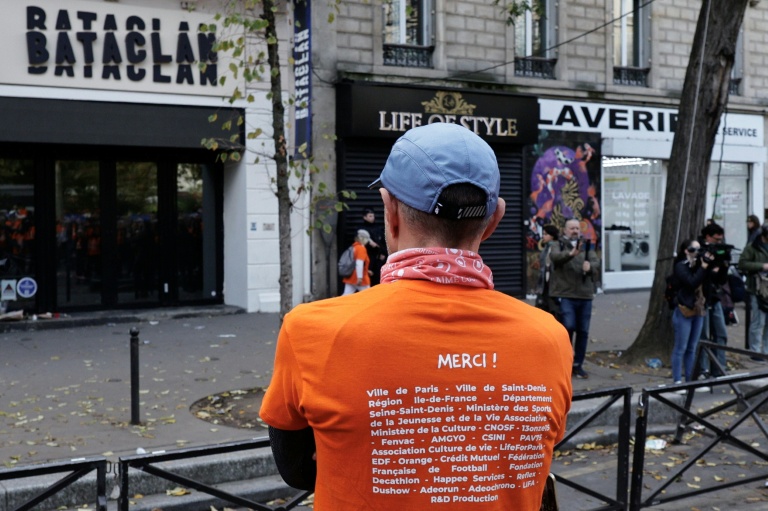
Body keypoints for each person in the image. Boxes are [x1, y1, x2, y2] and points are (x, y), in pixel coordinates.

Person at [260, 123, 573, 510]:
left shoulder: (310, 330)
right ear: (493, 222)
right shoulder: (550, 338)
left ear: (390, 212)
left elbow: (295, 470)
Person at [549, 218, 601, 379]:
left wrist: (590, 266)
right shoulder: (558, 244)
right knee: (568, 327)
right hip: (565, 295)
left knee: (583, 331)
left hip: (585, 295)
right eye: (571, 228)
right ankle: (565, 361)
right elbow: (555, 258)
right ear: (565, 230)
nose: (575, 231)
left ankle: (578, 364)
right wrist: (571, 254)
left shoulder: (585, 246)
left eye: (577, 228)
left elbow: (596, 261)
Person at [671, 239, 714, 384]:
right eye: (693, 249)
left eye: (699, 249)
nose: (696, 252)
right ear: (686, 251)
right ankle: (677, 380)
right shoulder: (680, 266)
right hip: (684, 311)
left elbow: (711, 281)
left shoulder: (701, 265)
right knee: (680, 347)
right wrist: (703, 267)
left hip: (698, 310)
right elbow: (692, 282)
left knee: (692, 348)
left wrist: (713, 264)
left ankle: (690, 380)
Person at [697, 223, 729, 377]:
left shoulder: (719, 252)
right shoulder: (698, 250)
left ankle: (720, 367)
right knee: (703, 336)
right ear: (708, 237)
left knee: (720, 333)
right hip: (702, 297)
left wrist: (723, 265)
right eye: (716, 240)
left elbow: (721, 280)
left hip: (715, 297)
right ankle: (703, 369)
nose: (719, 243)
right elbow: (698, 275)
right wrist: (708, 265)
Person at [738, 222, 768, 361]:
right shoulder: (752, 247)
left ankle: (766, 351)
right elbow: (742, 263)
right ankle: (755, 352)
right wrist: (762, 266)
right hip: (757, 288)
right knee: (758, 321)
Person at [535, 224, 561, 318]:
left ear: (552, 235)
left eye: (546, 234)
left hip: (553, 285)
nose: (543, 236)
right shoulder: (545, 248)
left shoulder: (558, 247)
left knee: (554, 311)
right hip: (544, 284)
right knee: (541, 310)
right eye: (543, 234)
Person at [360, 208, 387, 285]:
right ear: (364, 217)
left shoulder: (378, 228)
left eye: (373, 216)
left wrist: (383, 253)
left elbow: (383, 242)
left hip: (378, 259)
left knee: (378, 279)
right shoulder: (361, 229)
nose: (372, 218)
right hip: (367, 258)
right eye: (370, 216)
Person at [341, 229, 371, 295]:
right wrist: (360, 277)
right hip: (359, 277)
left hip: (351, 276)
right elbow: (359, 263)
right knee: (368, 295)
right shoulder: (361, 249)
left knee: (346, 296)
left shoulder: (354, 247)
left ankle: (337, 305)